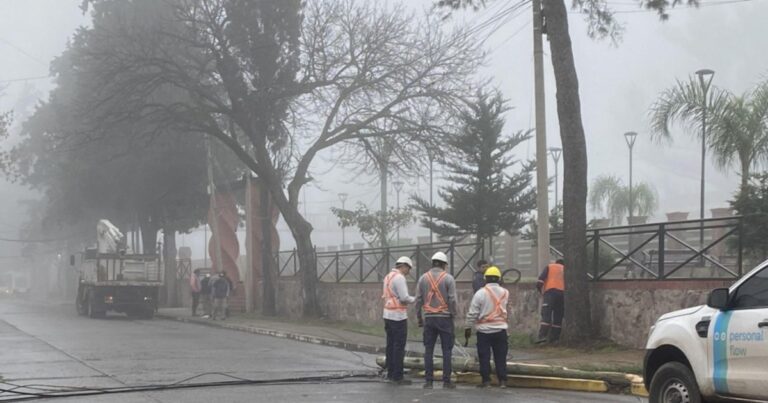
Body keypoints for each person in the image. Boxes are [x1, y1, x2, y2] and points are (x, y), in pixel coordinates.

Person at [415, 251, 458, 389]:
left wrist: (419, 317)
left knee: (428, 350)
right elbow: (452, 299)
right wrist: (453, 314)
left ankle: (428, 381)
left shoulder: (423, 278)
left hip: (429, 318)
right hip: (444, 318)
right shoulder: (449, 278)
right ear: (444, 264)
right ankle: (446, 381)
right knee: (447, 350)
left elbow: (418, 300)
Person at [464, 266, 509, 388]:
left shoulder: (480, 293)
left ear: (485, 279)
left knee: (484, 357)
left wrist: (468, 327)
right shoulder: (505, 293)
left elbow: (473, 313)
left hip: (484, 331)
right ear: (499, 279)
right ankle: (502, 381)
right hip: (500, 330)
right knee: (501, 357)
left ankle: (486, 381)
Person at [382, 256, 416, 385]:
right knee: (399, 346)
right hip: (398, 316)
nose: (409, 272)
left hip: (387, 314)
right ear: (404, 266)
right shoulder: (400, 278)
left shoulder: (388, 276)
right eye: (409, 268)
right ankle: (398, 376)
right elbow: (404, 297)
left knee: (390, 345)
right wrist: (417, 299)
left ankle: (390, 373)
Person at [536, 258, 565, 343]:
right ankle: (555, 339)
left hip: (550, 292)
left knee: (546, 314)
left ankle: (542, 337)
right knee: (558, 316)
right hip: (562, 294)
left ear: (556, 262)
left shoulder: (550, 267)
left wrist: (540, 291)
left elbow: (540, 281)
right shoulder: (565, 269)